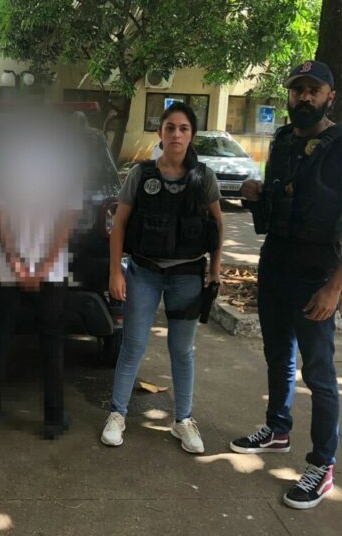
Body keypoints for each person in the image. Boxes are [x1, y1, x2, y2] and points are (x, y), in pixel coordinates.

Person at [230, 61, 342, 510]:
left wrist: (334, 288)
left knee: (318, 372)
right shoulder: (283, 141)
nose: (304, 97)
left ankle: (322, 465)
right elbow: (282, 198)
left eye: (314, 90)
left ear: (330, 96)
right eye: (298, 90)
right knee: (277, 354)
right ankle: (278, 429)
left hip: (318, 271)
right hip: (276, 262)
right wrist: (257, 193)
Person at [101, 101, 224, 453]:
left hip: (187, 276)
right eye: (170, 128)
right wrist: (115, 272)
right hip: (144, 272)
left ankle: (182, 419)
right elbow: (119, 225)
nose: (176, 135)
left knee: (182, 350)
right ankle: (117, 413)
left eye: (183, 129)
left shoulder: (204, 178)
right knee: (133, 346)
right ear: (160, 133)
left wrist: (214, 271)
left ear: (192, 135)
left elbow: (217, 226)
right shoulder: (141, 175)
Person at [0, 106, 84, 440]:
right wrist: (43, 267)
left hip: (6, 272)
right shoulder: (67, 162)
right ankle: (53, 420)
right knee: (52, 346)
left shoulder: (2, 159)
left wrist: (17, 263)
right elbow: (68, 219)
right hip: (51, 275)